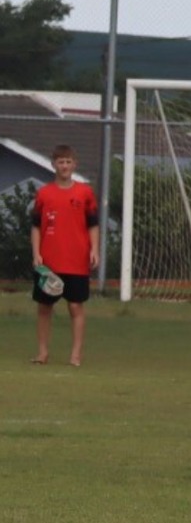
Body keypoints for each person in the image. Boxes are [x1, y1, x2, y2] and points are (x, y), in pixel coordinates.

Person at [30, 145, 99, 367]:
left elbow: (93, 225)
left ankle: (76, 355)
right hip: (49, 262)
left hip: (77, 260)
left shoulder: (84, 193)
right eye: (61, 162)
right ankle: (42, 353)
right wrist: (36, 254)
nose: (65, 166)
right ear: (53, 165)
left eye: (68, 162)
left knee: (75, 306)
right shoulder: (44, 194)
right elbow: (36, 227)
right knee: (44, 307)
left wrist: (94, 249)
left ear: (74, 164)